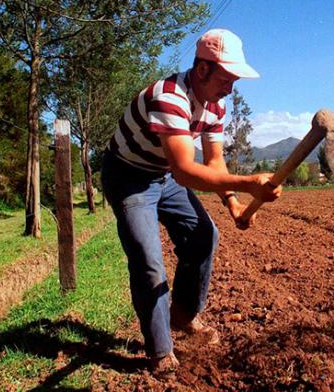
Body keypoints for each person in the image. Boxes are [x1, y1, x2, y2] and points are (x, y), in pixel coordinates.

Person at [101, 29, 281, 377]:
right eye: (226, 79)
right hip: (129, 176)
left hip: (164, 174)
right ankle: (160, 350)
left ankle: (183, 315)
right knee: (148, 261)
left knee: (203, 236)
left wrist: (233, 203)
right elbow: (185, 170)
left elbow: (214, 161)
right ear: (201, 69)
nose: (230, 89)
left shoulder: (216, 105)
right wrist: (248, 184)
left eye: (234, 81)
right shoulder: (169, 97)